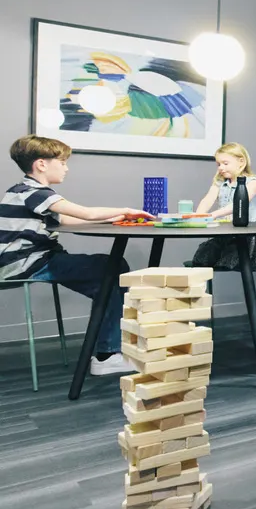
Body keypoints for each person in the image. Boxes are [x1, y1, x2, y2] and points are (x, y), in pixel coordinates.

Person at [1, 135, 152, 376]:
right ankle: (106, 354)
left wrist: (111, 219)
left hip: (26, 262)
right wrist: (126, 210)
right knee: (113, 270)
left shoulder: (23, 191)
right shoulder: (35, 192)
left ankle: (109, 347)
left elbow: (68, 219)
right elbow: (86, 213)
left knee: (110, 276)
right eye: (62, 162)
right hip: (29, 263)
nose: (66, 168)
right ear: (41, 164)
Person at [190, 142, 256, 271]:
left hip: (246, 235)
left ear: (241, 162)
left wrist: (213, 215)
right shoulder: (221, 182)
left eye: (225, 163)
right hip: (226, 234)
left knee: (233, 256)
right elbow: (208, 198)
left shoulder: (252, 183)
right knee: (203, 258)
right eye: (218, 164)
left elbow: (238, 204)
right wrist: (198, 215)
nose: (220, 167)